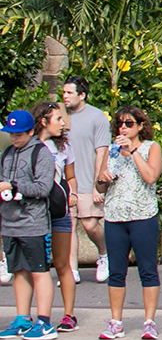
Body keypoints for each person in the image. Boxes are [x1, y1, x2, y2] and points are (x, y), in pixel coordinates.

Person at [99, 108, 162, 340]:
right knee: (116, 272)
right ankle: (116, 322)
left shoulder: (150, 147)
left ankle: (149, 321)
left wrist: (133, 151)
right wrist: (102, 179)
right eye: (119, 123)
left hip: (143, 216)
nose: (123, 127)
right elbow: (100, 185)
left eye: (128, 123)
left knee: (147, 270)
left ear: (139, 126)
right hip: (115, 217)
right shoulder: (112, 150)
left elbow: (150, 176)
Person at [0, 110, 58, 340]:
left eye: (19, 134)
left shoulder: (40, 153)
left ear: (31, 131)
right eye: (11, 133)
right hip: (10, 224)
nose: (15, 138)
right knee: (19, 272)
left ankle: (44, 323)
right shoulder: (6, 153)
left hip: (34, 224)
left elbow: (43, 188)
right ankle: (23, 319)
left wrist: (14, 186)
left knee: (39, 272)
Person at [30, 102, 80, 332]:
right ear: (43, 121)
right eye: (58, 119)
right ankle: (36, 316)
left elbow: (70, 176)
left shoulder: (63, 147)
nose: (63, 123)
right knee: (36, 267)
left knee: (62, 263)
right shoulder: (29, 146)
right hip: (34, 213)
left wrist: (73, 193)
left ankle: (69, 315)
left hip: (59, 212)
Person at [61, 79, 111, 284]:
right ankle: (71, 270)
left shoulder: (96, 117)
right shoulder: (60, 116)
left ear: (82, 95)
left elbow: (102, 151)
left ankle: (104, 255)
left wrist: (96, 185)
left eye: (69, 93)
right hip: (65, 184)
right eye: (63, 92)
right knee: (68, 226)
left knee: (90, 225)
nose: (65, 96)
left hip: (87, 181)